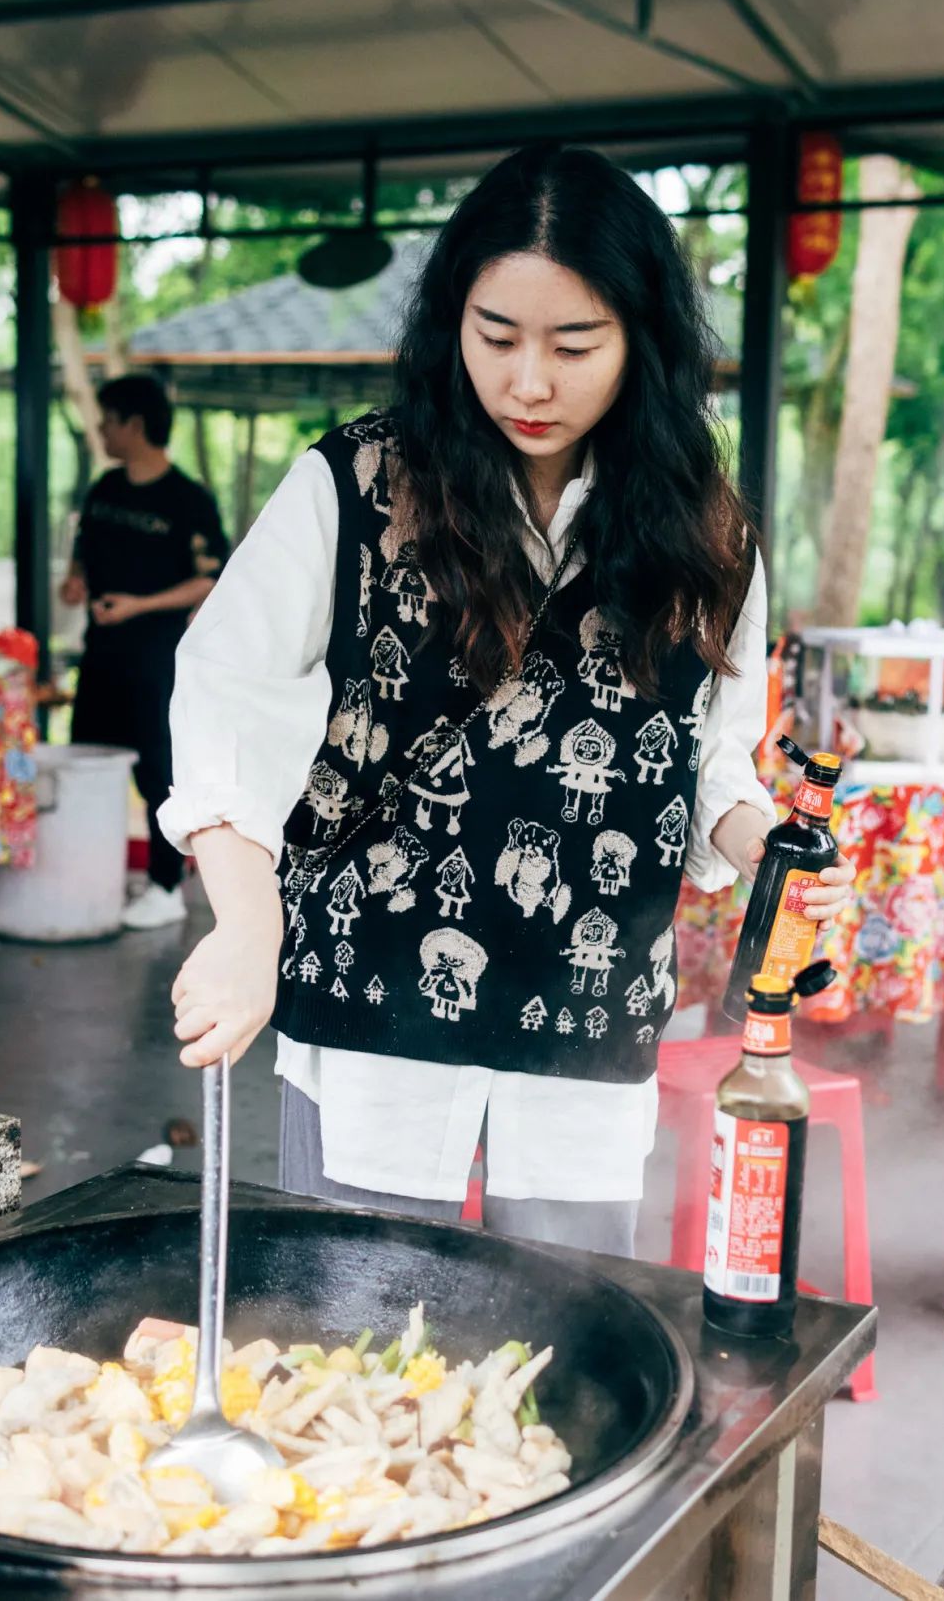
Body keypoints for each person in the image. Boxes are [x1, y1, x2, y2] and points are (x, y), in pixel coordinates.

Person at [159, 146, 855, 1257]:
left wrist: (771, 850)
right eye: (497, 337)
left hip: (587, 1011)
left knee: (571, 1334)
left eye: (574, 345)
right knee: (351, 1319)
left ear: (640, 341)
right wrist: (248, 923)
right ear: (454, 325)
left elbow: (711, 759)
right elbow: (223, 708)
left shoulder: (709, 534)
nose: (530, 382)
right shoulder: (354, 486)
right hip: (373, 1000)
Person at [61, 375, 228, 930]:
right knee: (88, 761)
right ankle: (90, 874)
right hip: (100, 653)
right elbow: (82, 551)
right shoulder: (105, 488)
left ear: (135, 425)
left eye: (108, 421)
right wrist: (76, 580)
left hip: (156, 658)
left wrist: (139, 605)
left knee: (157, 769)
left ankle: (165, 885)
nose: (102, 431)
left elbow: (210, 579)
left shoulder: (188, 500)